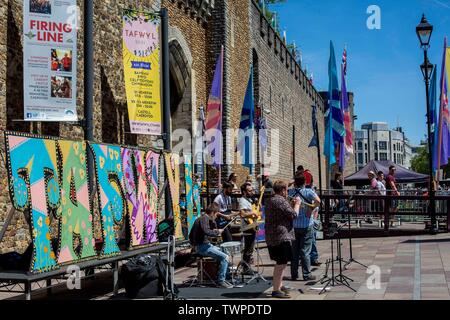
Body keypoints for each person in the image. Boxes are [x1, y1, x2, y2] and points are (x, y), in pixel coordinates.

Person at [265, 180, 300, 298]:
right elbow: (294, 215)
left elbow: (282, 213)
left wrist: (289, 203)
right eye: (286, 190)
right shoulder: (280, 200)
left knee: (281, 263)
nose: (287, 192)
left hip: (272, 236)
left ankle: (278, 285)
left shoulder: (270, 200)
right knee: (281, 264)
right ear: (283, 190)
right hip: (281, 236)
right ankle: (276, 289)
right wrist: (297, 204)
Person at [189, 204, 233, 288]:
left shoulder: (202, 218)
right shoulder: (204, 218)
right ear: (213, 213)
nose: (216, 217)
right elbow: (207, 231)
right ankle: (221, 280)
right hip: (202, 247)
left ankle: (226, 275)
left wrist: (215, 229)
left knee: (224, 250)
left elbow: (204, 231)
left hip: (205, 245)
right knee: (225, 257)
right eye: (216, 214)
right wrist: (217, 232)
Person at [289, 174, 321, 281]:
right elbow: (318, 201)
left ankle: (294, 274)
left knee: (294, 251)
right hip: (306, 224)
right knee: (305, 251)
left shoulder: (290, 192)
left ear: (295, 182)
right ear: (305, 182)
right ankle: (306, 274)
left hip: (294, 225)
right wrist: (311, 208)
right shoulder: (308, 191)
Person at [238, 182, 258, 273]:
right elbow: (242, 214)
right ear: (244, 192)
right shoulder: (242, 200)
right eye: (250, 191)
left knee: (250, 247)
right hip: (247, 226)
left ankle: (247, 266)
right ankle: (245, 268)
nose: (252, 192)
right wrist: (253, 213)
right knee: (248, 247)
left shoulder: (250, 200)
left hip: (252, 225)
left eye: (252, 190)